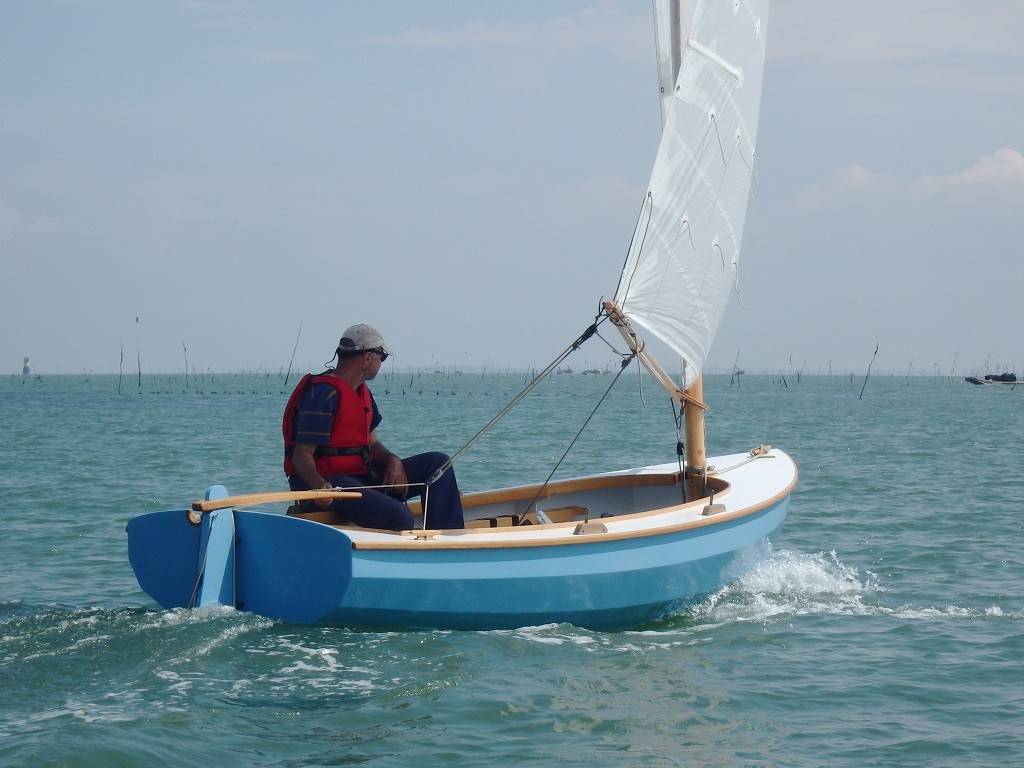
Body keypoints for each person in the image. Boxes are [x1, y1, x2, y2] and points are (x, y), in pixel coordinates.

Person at [283, 324, 464, 531]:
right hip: (328, 484)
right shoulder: (324, 394)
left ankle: (447, 540)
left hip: (359, 477)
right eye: (382, 357)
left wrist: (392, 460)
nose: (382, 362)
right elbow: (302, 454)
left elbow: (373, 444)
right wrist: (320, 486)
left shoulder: (362, 393)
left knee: (437, 464)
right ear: (367, 358)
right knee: (400, 517)